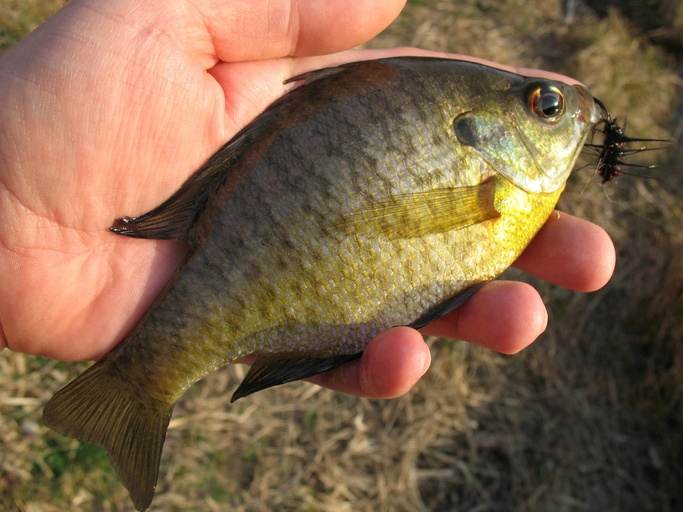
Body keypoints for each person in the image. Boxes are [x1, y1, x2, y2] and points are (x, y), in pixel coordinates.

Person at [0, 0, 614, 399]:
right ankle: (143, 380)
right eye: (546, 107)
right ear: (487, 127)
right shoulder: (493, 182)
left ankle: (146, 378)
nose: (567, 114)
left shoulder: (494, 183)